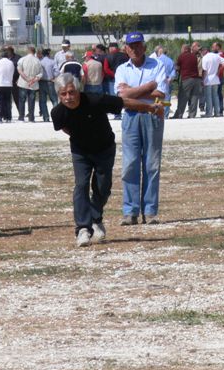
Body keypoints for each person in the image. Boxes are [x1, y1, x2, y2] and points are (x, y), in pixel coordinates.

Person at [52, 72, 163, 246]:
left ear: (78, 90)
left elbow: (125, 102)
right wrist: (80, 135)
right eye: (63, 94)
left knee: (102, 188)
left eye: (71, 92)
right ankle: (82, 228)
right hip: (80, 152)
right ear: (58, 95)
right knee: (81, 185)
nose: (68, 97)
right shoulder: (57, 113)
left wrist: (150, 108)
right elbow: (64, 128)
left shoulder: (95, 100)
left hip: (104, 149)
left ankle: (96, 219)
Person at [115, 32, 167, 225]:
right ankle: (130, 211)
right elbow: (122, 96)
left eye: (138, 45)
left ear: (144, 47)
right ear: (126, 49)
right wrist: (149, 86)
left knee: (152, 164)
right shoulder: (122, 69)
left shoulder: (158, 65)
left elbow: (160, 94)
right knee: (130, 164)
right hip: (130, 116)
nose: (135, 49)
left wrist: (132, 92)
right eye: (131, 46)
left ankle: (150, 211)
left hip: (153, 115)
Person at [172, 42, 201, 119]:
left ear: (184, 49)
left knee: (183, 97)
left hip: (187, 79)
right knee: (194, 97)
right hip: (196, 79)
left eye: (181, 48)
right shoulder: (194, 56)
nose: (181, 50)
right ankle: (192, 115)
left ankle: (179, 114)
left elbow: (177, 67)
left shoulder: (181, 56)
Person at [16, 46, 43, 122]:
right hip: (33, 84)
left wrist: (26, 79)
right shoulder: (38, 61)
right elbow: (40, 74)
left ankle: (21, 117)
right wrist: (33, 80)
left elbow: (19, 70)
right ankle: (31, 118)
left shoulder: (22, 59)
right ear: (34, 52)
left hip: (23, 83)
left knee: (22, 101)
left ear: (28, 51)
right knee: (31, 101)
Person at [201, 47, 224, 118]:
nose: (201, 52)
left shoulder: (205, 58)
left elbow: (204, 70)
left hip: (208, 79)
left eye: (202, 51)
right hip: (215, 78)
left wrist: (203, 80)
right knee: (215, 96)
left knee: (208, 96)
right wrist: (219, 70)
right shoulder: (216, 56)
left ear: (205, 51)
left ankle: (209, 113)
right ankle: (217, 112)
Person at [154, 46, 176, 118]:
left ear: (159, 52)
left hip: (158, 81)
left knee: (157, 98)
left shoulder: (156, 61)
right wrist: (169, 79)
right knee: (167, 98)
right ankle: (165, 115)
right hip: (167, 81)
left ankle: (157, 114)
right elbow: (173, 72)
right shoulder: (170, 60)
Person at [0, 48, 15, 123]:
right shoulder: (11, 62)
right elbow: (12, 72)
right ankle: (8, 117)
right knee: (8, 101)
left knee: (0, 101)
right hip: (8, 84)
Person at [38, 48, 58, 122]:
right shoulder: (52, 61)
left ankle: (46, 117)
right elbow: (57, 72)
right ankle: (56, 116)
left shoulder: (40, 62)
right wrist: (53, 77)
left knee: (43, 101)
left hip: (41, 82)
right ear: (48, 54)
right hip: (50, 82)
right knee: (54, 100)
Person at [213, 42, 224, 115]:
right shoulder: (216, 54)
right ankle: (217, 109)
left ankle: (220, 110)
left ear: (218, 47)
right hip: (216, 77)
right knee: (216, 93)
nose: (212, 48)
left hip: (219, 77)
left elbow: (223, 65)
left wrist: (218, 72)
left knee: (218, 93)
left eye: (214, 47)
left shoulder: (221, 54)